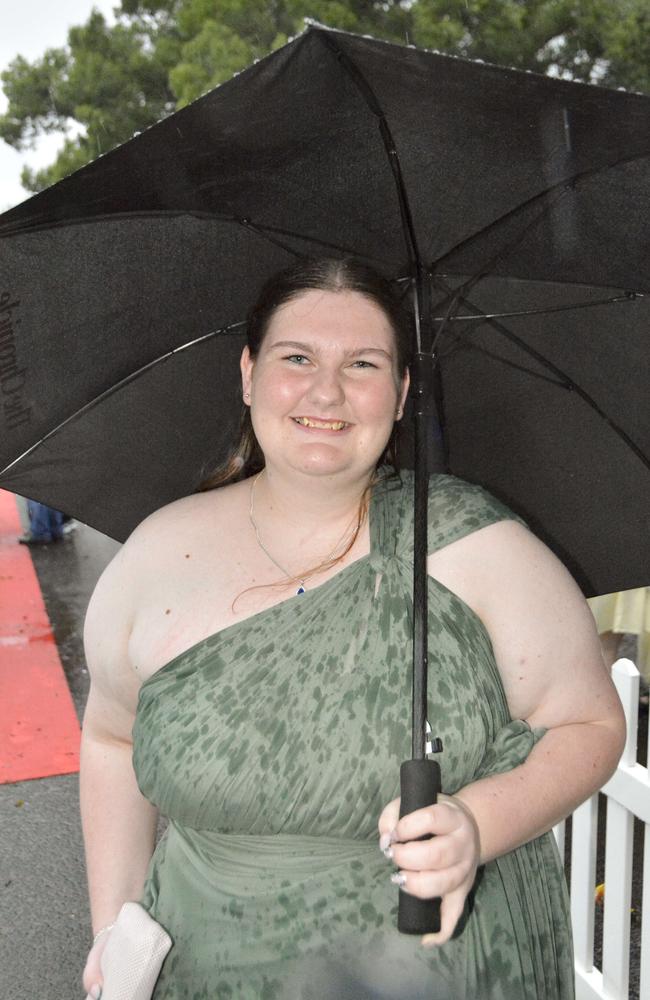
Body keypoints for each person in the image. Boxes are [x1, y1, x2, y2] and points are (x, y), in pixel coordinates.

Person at [80, 258, 625, 1000]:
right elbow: (112, 738)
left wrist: (478, 822)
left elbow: (589, 724)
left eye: (362, 364)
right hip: (206, 971)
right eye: (296, 357)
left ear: (401, 394)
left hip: (446, 975)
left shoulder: (475, 545)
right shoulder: (155, 554)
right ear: (248, 374)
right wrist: (113, 927)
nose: (326, 391)